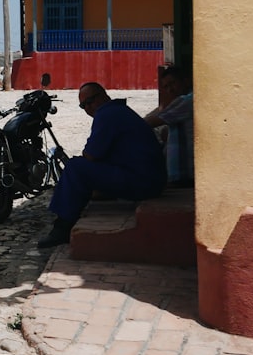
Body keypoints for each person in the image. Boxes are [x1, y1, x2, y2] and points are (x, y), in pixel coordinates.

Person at [37, 82, 166, 248]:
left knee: (75, 167)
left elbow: (91, 154)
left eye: (89, 102)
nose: (88, 108)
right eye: (83, 106)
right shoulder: (119, 111)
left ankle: (62, 226)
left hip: (143, 182)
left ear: (102, 96)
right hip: (150, 179)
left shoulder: (107, 114)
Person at [144, 65, 194, 188]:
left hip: (185, 175)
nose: (170, 89)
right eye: (166, 87)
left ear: (186, 81)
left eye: (173, 83)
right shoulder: (180, 103)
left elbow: (151, 121)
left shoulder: (187, 101)